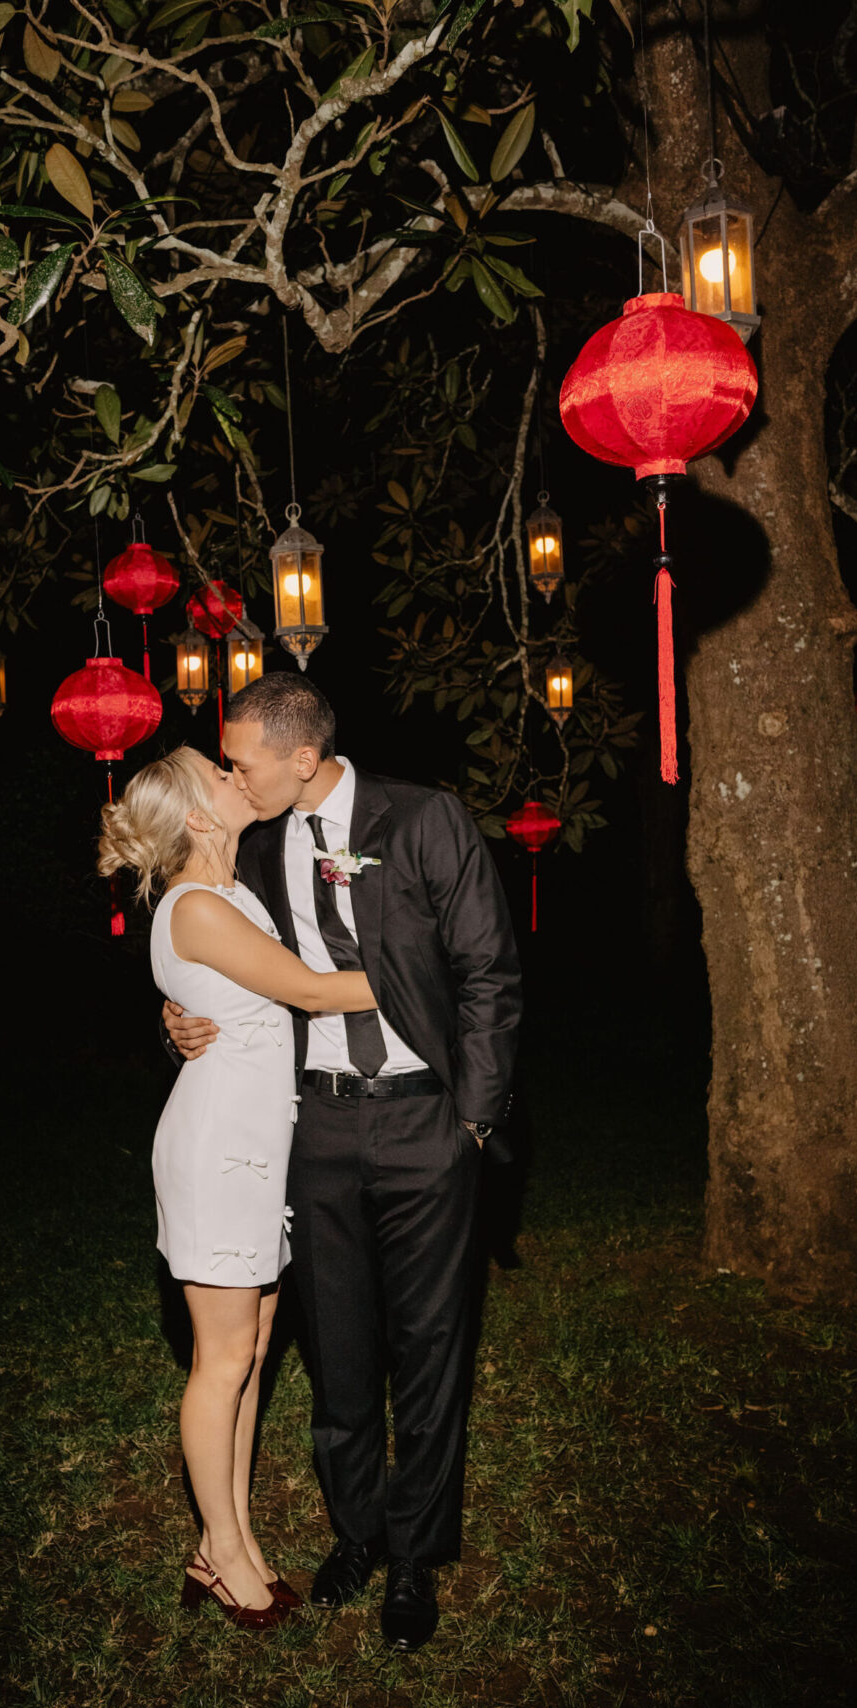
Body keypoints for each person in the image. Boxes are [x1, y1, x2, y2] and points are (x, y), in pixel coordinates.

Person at [163, 674, 522, 1652]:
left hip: (422, 1126)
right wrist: (181, 1016)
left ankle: (412, 1556)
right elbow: (223, 965)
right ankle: (354, 1530)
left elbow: (488, 974)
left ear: (303, 758)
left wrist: (473, 1124)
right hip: (309, 1130)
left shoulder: (425, 819)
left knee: (430, 1350)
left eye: (242, 758)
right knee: (337, 1350)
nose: (231, 774)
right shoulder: (258, 847)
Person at [98, 745, 379, 1632]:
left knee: (253, 1349)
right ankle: (220, 1553)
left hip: (262, 1145)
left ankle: (234, 1535)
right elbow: (308, 989)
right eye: (216, 773)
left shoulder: (233, 888)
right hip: (220, 1150)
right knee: (222, 1360)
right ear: (199, 816)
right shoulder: (197, 906)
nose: (233, 773)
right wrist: (430, 975)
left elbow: (236, 991)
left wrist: (177, 1011)